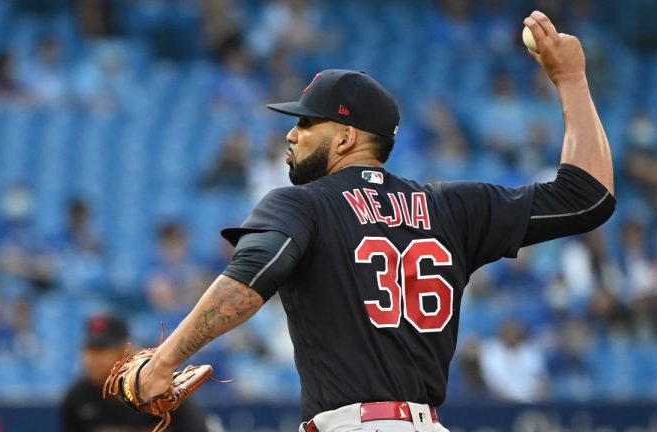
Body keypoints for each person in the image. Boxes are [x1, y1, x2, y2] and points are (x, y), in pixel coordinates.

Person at [135, 11, 614, 432]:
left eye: (306, 124)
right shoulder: (452, 208)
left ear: (345, 138)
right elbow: (589, 197)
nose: (291, 133)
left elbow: (250, 278)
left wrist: (164, 361)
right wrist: (571, 79)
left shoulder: (303, 203)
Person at [61, 314, 209, 432]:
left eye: (102, 351)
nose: (92, 359)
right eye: (89, 350)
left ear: (124, 351)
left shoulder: (159, 387)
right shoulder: (78, 396)